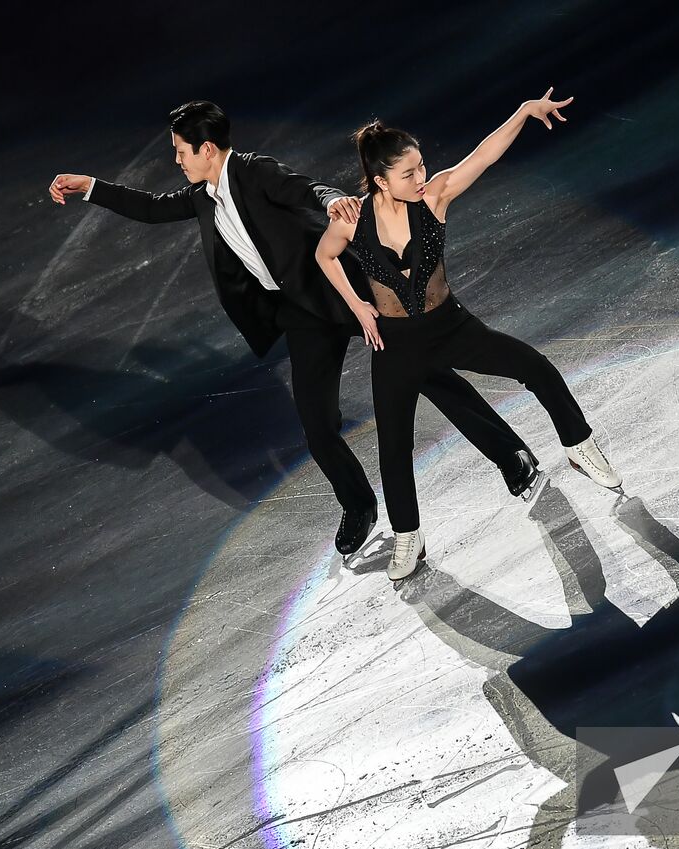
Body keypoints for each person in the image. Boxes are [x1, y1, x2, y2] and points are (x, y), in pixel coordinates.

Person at [48, 101, 540, 556]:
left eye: (180, 151)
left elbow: (305, 187)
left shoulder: (254, 171)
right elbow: (154, 208)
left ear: (207, 149)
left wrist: (333, 204)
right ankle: (360, 506)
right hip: (300, 314)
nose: (177, 160)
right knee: (316, 423)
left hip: (341, 290)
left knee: (429, 371)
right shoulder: (202, 195)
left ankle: (510, 454)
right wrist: (90, 185)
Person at [315, 89, 621, 582]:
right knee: (394, 449)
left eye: (421, 167)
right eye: (408, 173)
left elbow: (483, 155)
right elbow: (323, 256)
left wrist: (523, 112)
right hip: (393, 345)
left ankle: (579, 445)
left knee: (534, 367)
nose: (420, 178)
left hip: (450, 327)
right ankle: (407, 536)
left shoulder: (434, 196)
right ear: (380, 180)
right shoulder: (353, 220)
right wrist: (360, 308)